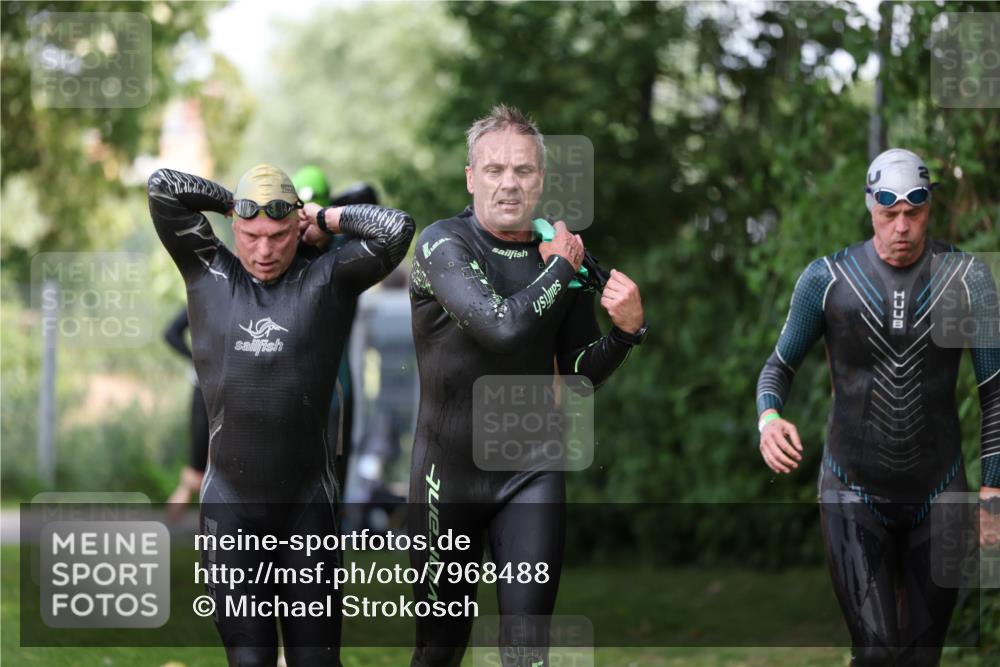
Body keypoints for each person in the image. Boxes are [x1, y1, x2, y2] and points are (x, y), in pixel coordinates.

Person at [407, 104, 647, 666]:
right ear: (471, 178)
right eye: (494, 170)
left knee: (527, 653)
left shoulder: (557, 256)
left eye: (524, 171)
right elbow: (502, 328)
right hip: (449, 475)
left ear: (541, 180)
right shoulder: (445, 245)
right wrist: (563, 268)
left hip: (531, 473)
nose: (509, 184)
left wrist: (627, 332)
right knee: (439, 651)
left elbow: (581, 368)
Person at [148, 164, 414, 666]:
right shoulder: (209, 271)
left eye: (277, 235)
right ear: (234, 228)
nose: (264, 251)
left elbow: (396, 229)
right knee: (250, 661)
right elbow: (163, 188)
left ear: (297, 228)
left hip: (306, 512)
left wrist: (325, 217)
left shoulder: (328, 279)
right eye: (251, 235)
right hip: (231, 512)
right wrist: (236, 200)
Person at [755, 148, 1000, 666]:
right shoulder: (828, 280)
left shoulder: (967, 280)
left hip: (940, 493)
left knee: (920, 657)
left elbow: (995, 392)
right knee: (877, 651)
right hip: (852, 490)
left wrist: (992, 493)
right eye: (889, 214)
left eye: (915, 213)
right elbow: (778, 368)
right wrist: (769, 417)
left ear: (930, 208)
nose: (902, 227)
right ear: (870, 208)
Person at [163, 307, 209, 518]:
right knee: (198, 457)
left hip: (233, 389)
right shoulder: (203, 295)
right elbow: (170, 334)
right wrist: (195, 359)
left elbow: (171, 334)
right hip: (203, 388)